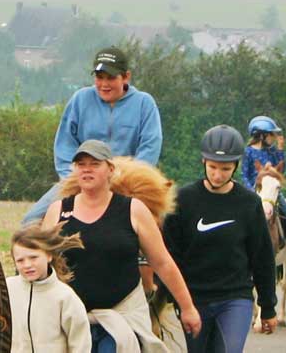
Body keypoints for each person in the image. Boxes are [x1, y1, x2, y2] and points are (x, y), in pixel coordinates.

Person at [39, 140, 201, 352]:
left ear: (111, 169)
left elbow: (162, 262)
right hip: (71, 318)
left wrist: (187, 307)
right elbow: (40, 262)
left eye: (94, 163)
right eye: (81, 164)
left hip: (122, 317)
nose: (86, 168)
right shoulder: (57, 211)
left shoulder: (134, 210)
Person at [163, 126, 278, 353]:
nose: (217, 175)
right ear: (203, 162)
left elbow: (262, 258)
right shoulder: (182, 199)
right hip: (193, 299)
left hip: (235, 298)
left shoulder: (249, 203)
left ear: (235, 166)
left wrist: (268, 307)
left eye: (225, 169)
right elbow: (169, 254)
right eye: (213, 167)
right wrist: (176, 299)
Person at [22, 47, 164, 225]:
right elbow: (65, 144)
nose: (104, 84)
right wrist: (75, 179)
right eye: (99, 78)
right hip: (81, 178)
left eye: (111, 78)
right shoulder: (80, 99)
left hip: (127, 184)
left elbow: (150, 148)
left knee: (163, 225)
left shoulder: (144, 103)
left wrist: (125, 182)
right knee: (31, 220)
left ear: (126, 76)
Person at [6, 224, 92, 353]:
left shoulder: (64, 296)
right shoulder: (7, 289)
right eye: (20, 260)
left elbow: (80, 342)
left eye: (33, 257)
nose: (27, 265)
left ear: (48, 256)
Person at [242, 116, 286, 263]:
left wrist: (280, 150)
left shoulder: (273, 151)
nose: (274, 138)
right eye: (271, 135)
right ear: (261, 135)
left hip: (272, 191)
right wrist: (252, 190)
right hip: (256, 190)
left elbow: (280, 171)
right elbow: (244, 174)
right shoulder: (248, 152)